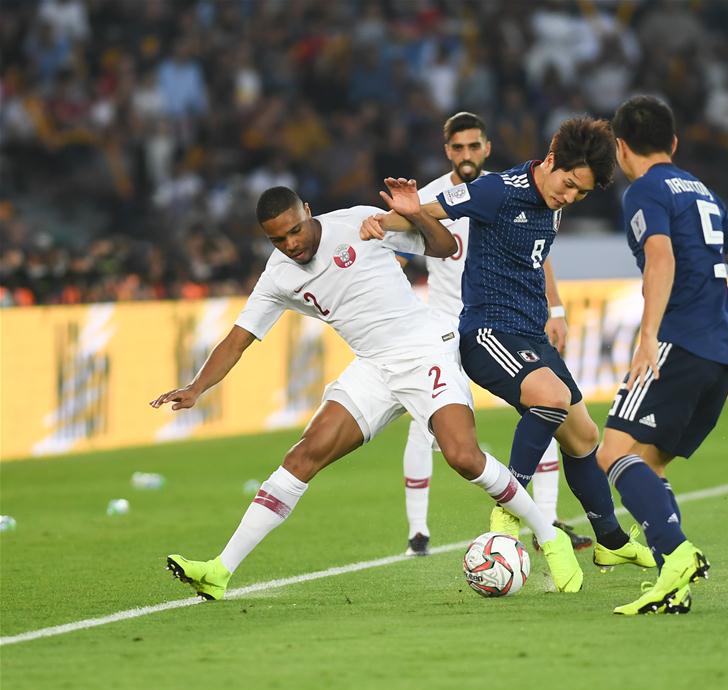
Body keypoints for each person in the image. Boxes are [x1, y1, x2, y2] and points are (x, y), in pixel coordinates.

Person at [151, 180, 584, 600]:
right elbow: (239, 337)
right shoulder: (278, 276)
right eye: (276, 239)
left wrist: (413, 214)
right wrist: (196, 387)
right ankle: (219, 571)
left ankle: (549, 538)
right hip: (373, 367)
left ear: (307, 210)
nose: (290, 244)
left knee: (462, 457)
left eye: (294, 230)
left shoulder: (359, 223)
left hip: (425, 351)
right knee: (303, 456)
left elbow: (444, 247)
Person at [362, 117, 653, 575]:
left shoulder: (553, 200)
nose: (570, 197)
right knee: (552, 399)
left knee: (584, 438)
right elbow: (426, 213)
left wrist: (554, 311)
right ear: (552, 161)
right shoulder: (498, 189)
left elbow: (538, 260)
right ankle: (510, 509)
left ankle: (611, 541)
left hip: (531, 334)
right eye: (570, 185)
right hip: (487, 332)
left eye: (581, 193)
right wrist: (382, 219)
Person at [596, 95, 728, 615]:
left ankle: (677, 554)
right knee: (649, 463)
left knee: (611, 453)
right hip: (717, 350)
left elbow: (660, 256)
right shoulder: (704, 192)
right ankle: (677, 582)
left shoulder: (644, 190)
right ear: (673, 142)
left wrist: (648, 337)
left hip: (679, 341)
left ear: (621, 148)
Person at [397, 111, 591, 557]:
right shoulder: (430, 197)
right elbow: (399, 256)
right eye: (458, 147)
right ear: (447, 151)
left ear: (486, 148)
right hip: (445, 325)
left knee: (543, 410)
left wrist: (555, 308)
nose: (466, 154)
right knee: (425, 426)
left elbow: (538, 254)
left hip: (505, 321)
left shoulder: (511, 190)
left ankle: (545, 517)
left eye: (474, 146)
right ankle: (418, 534)